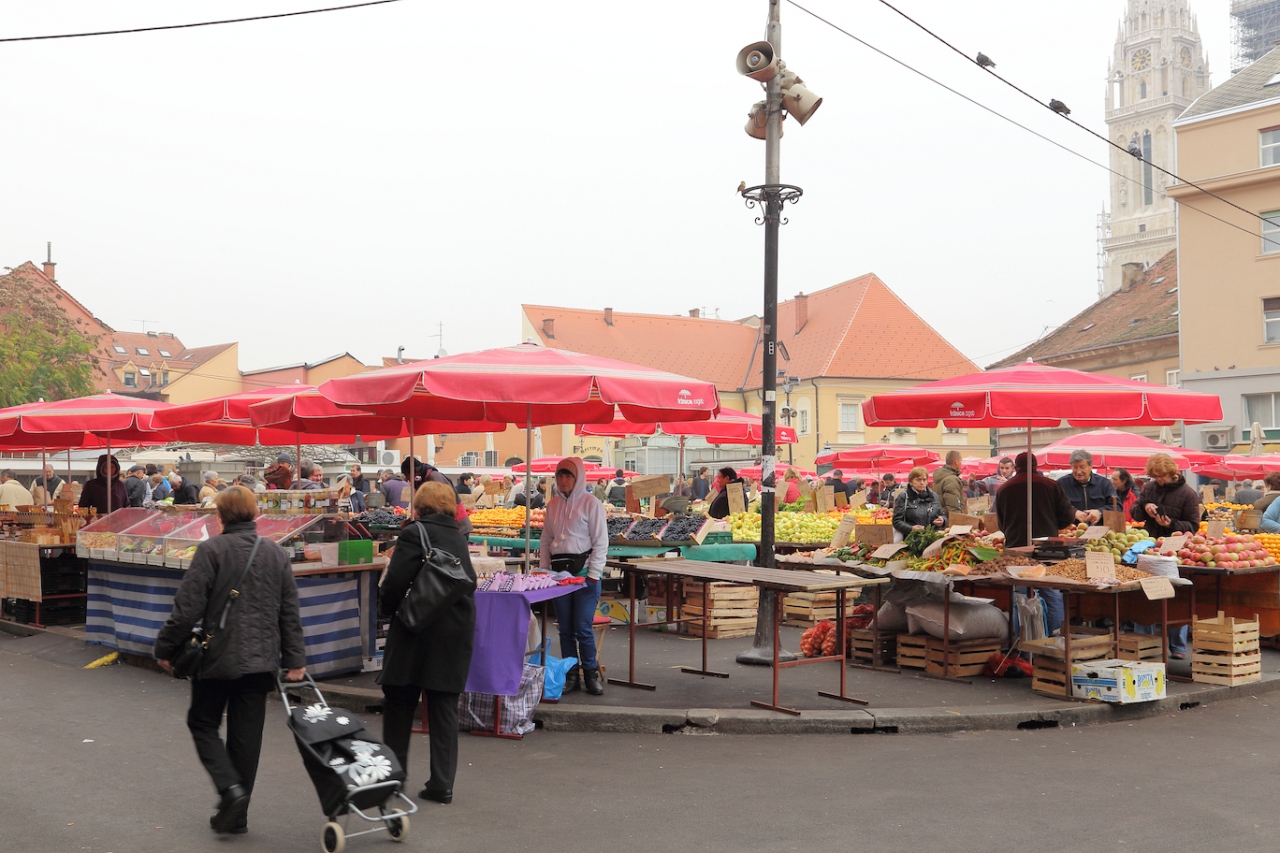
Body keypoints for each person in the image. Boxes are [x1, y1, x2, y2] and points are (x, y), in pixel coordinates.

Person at [153, 486, 306, 835]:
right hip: (261, 660)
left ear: (220, 517)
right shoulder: (275, 553)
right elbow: (289, 611)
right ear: (255, 514)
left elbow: (187, 608)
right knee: (246, 739)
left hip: (218, 658)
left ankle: (230, 790)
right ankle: (237, 815)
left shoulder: (211, 550)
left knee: (202, 723)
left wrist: (165, 648)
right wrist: (295, 658)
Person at [377, 481, 476, 805]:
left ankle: (393, 779)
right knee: (444, 707)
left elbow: (395, 583)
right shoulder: (459, 537)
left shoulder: (414, 533)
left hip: (414, 629)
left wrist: (388, 611)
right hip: (454, 631)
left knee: (399, 703)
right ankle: (442, 784)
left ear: (419, 507)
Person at [539, 457, 608, 696]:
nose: (563, 479)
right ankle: (570, 675)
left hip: (585, 575)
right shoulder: (552, 505)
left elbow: (601, 541)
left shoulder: (592, 504)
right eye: (559, 475)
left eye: (568, 475)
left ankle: (590, 674)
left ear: (578, 477)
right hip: (559, 577)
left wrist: (594, 574)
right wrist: (544, 570)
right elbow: (546, 539)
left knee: (582, 627)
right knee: (565, 629)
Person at [995, 452, 1077, 639]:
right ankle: (1055, 640)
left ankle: (1023, 642)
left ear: (1016, 467)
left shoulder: (1004, 489)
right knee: (1051, 593)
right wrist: (1053, 524)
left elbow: (1001, 523)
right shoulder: (1051, 485)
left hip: (1016, 549)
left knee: (1020, 596)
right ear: (1035, 465)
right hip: (1047, 549)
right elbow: (1067, 517)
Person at [1129, 453, 1202, 658]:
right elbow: (1134, 512)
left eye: (1162, 476)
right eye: (1155, 476)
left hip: (1176, 550)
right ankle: (1145, 643)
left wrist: (1171, 524)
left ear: (1171, 472)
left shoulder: (1188, 494)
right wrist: (1144, 507)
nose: (1159, 480)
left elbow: (1193, 526)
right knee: (1146, 593)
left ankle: (1178, 646)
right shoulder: (1149, 488)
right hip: (1150, 546)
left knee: (1175, 596)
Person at [1057, 449, 1118, 525]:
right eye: (1075, 467)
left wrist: (1100, 512)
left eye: (1082, 467)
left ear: (1091, 466)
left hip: (1101, 530)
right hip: (1071, 530)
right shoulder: (1061, 484)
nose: (1078, 472)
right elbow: (1053, 507)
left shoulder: (1104, 483)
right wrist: (1073, 512)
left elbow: (1117, 507)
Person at [892, 466, 948, 538]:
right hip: (912, 539)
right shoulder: (904, 497)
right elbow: (896, 521)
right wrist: (911, 528)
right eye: (918, 480)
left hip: (932, 537)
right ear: (911, 482)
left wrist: (942, 520)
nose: (922, 483)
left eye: (924, 480)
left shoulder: (934, 496)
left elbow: (942, 514)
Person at [931, 451, 965, 515]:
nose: (961, 464)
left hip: (940, 517)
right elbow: (953, 507)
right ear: (956, 462)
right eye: (960, 461)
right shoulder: (951, 480)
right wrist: (959, 519)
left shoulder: (941, 477)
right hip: (949, 519)